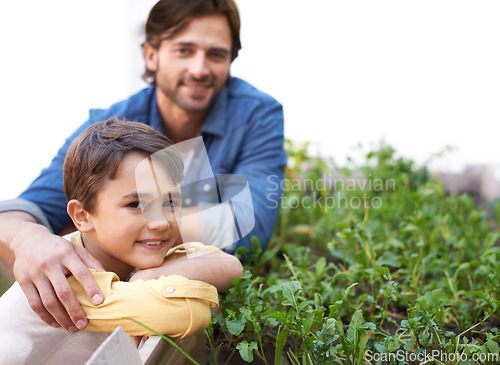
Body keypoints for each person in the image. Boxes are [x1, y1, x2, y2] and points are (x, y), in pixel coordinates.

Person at [0, 0, 285, 334]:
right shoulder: (109, 128)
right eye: (184, 50)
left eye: (216, 54)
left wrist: (142, 253)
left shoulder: (257, 115)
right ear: (152, 55)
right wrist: (29, 237)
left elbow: (248, 225)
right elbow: (23, 210)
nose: (199, 68)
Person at [0, 119, 243, 364]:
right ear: (83, 217)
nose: (160, 222)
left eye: (170, 203)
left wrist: (148, 277)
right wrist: (151, 283)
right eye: (135, 204)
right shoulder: (68, 276)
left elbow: (231, 266)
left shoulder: (135, 254)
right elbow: (189, 315)